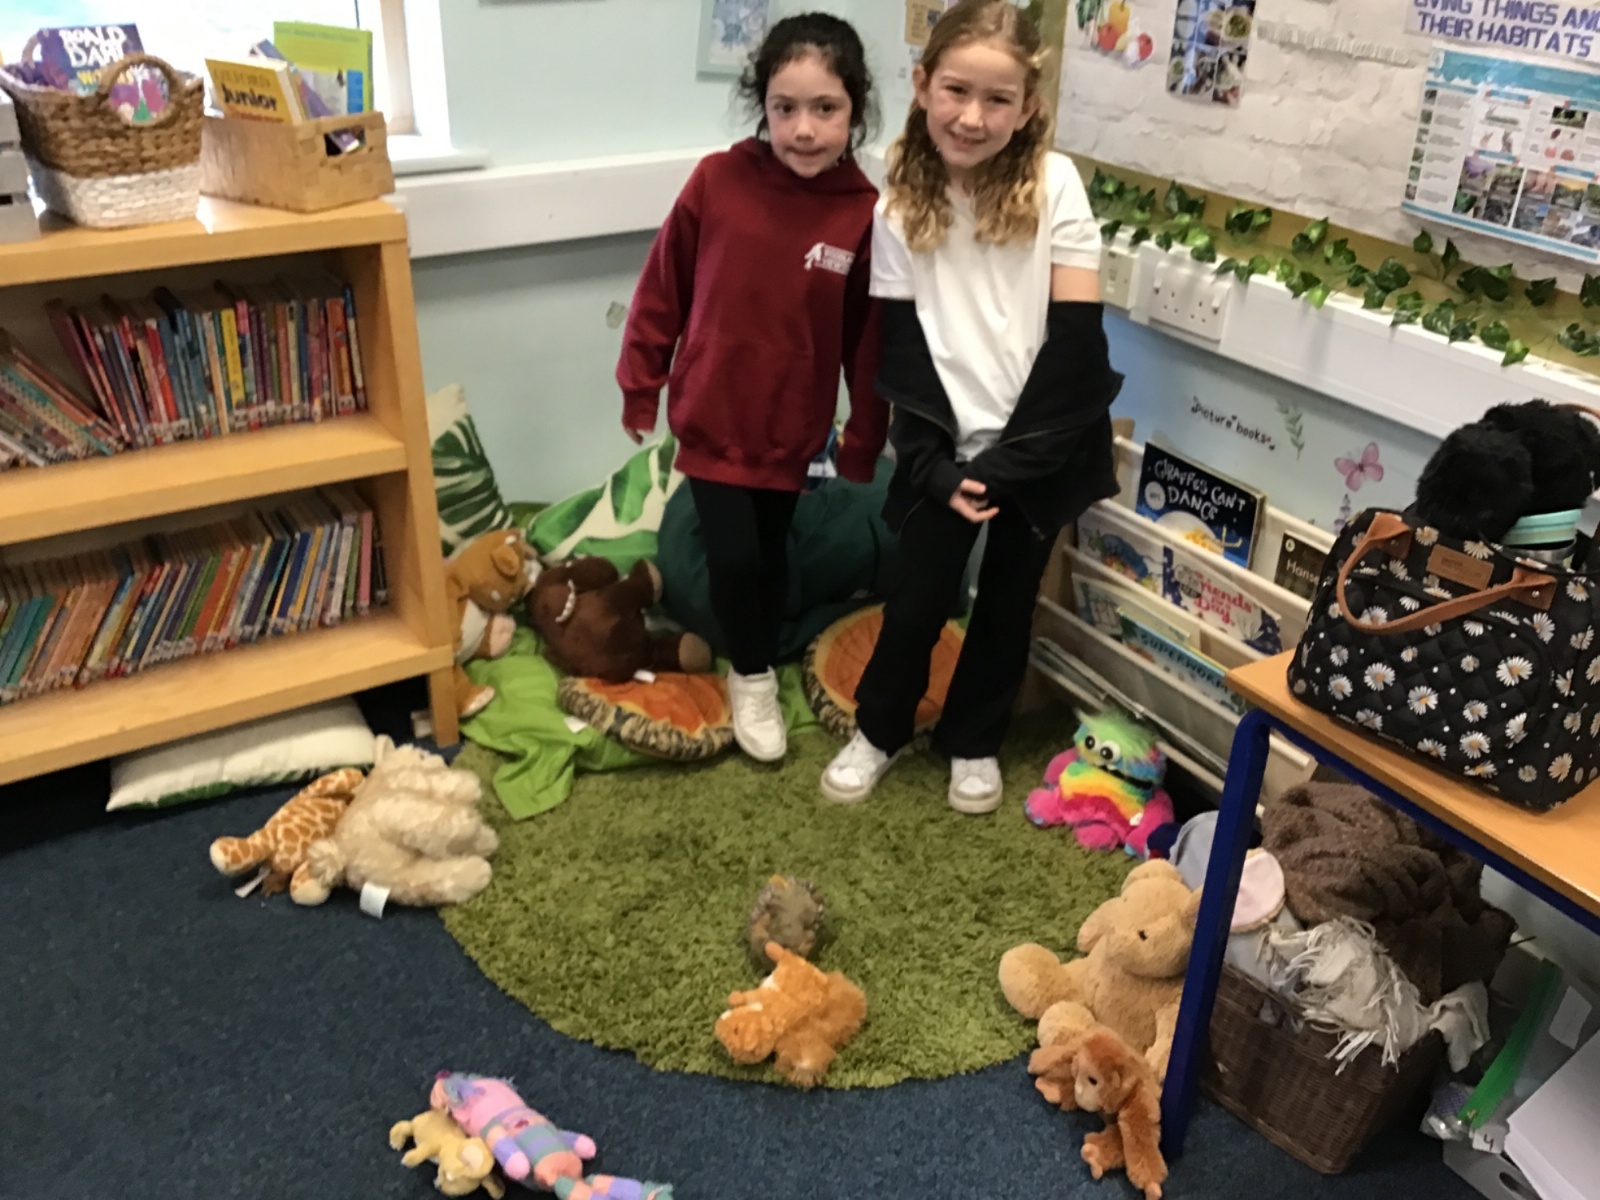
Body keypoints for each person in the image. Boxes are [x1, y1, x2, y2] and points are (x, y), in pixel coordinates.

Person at [819, 0, 1122, 813]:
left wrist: (1014, 463)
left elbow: (1076, 342)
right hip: (944, 446)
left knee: (1008, 602)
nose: (973, 116)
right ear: (923, 85)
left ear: (1027, 107)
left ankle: (974, 739)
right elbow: (902, 348)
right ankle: (879, 730)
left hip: (1041, 441)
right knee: (916, 601)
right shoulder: (897, 201)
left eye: (998, 99)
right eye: (956, 90)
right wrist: (934, 466)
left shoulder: (1056, 184)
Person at [617, 13, 887, 765]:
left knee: (770, 556)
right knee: (734, 559)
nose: (803, 128)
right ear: (761, 104)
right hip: (712, 416)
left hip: (792, 428)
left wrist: (863, 440)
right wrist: (640, 384)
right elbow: (662, 288)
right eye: (784, 107)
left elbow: (868, 341)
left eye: (825, 108)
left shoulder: (864, 214)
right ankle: (753, 676)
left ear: (855, 110)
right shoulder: (717, 181)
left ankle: (758, 648)